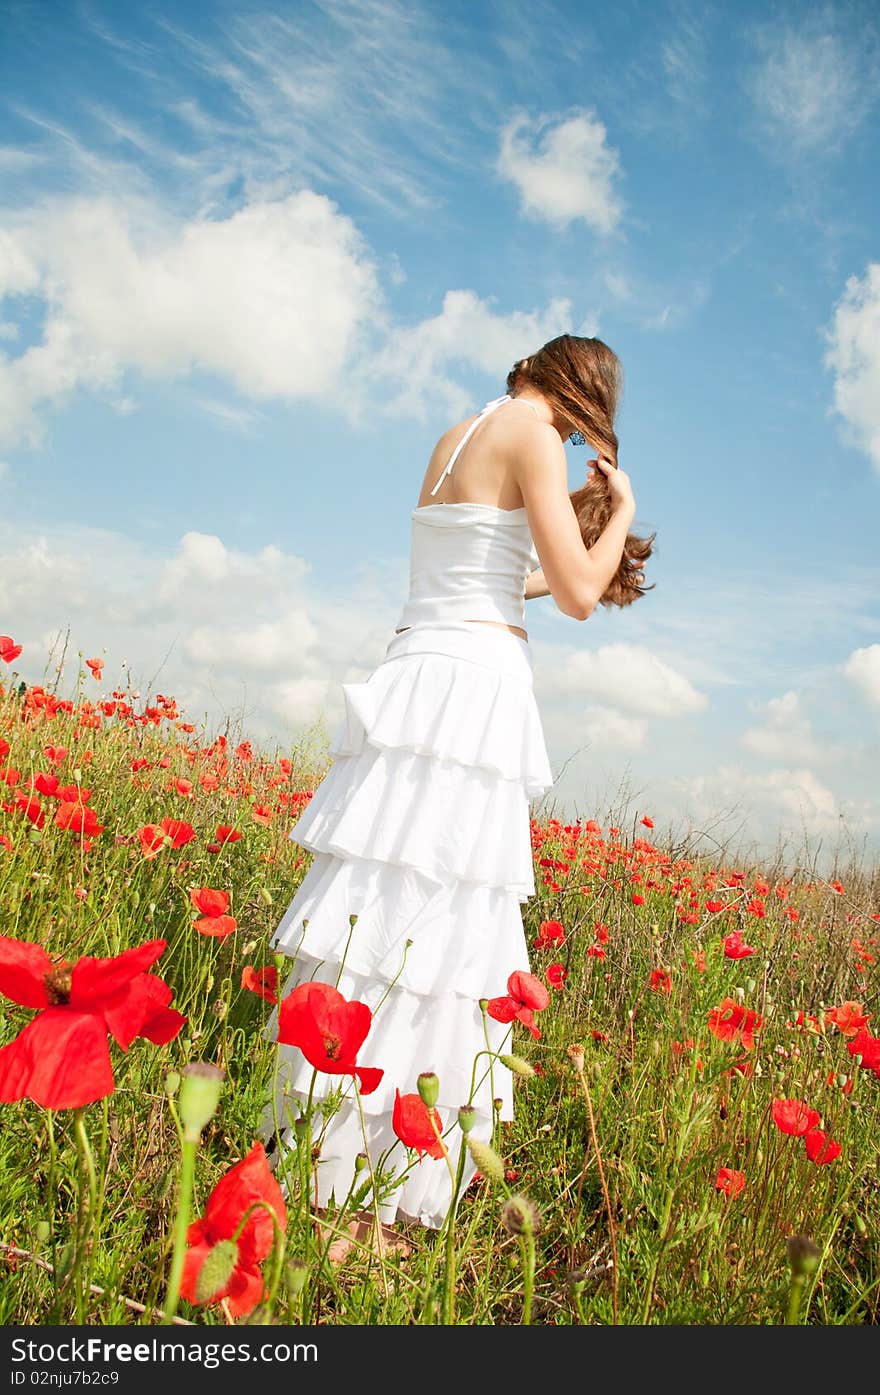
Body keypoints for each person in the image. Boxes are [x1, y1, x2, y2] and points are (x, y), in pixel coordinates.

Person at [262, 334, 651, 1258]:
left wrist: (576, 537)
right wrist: (620, 509)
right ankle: (379, 1204)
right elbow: (581, 594)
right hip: (473, 688)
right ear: (582, 394)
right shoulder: (533, 433)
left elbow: (492, 573)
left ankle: (330, 1174)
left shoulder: (458, 432)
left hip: (417, 669)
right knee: (438, 930)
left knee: (378, 916)